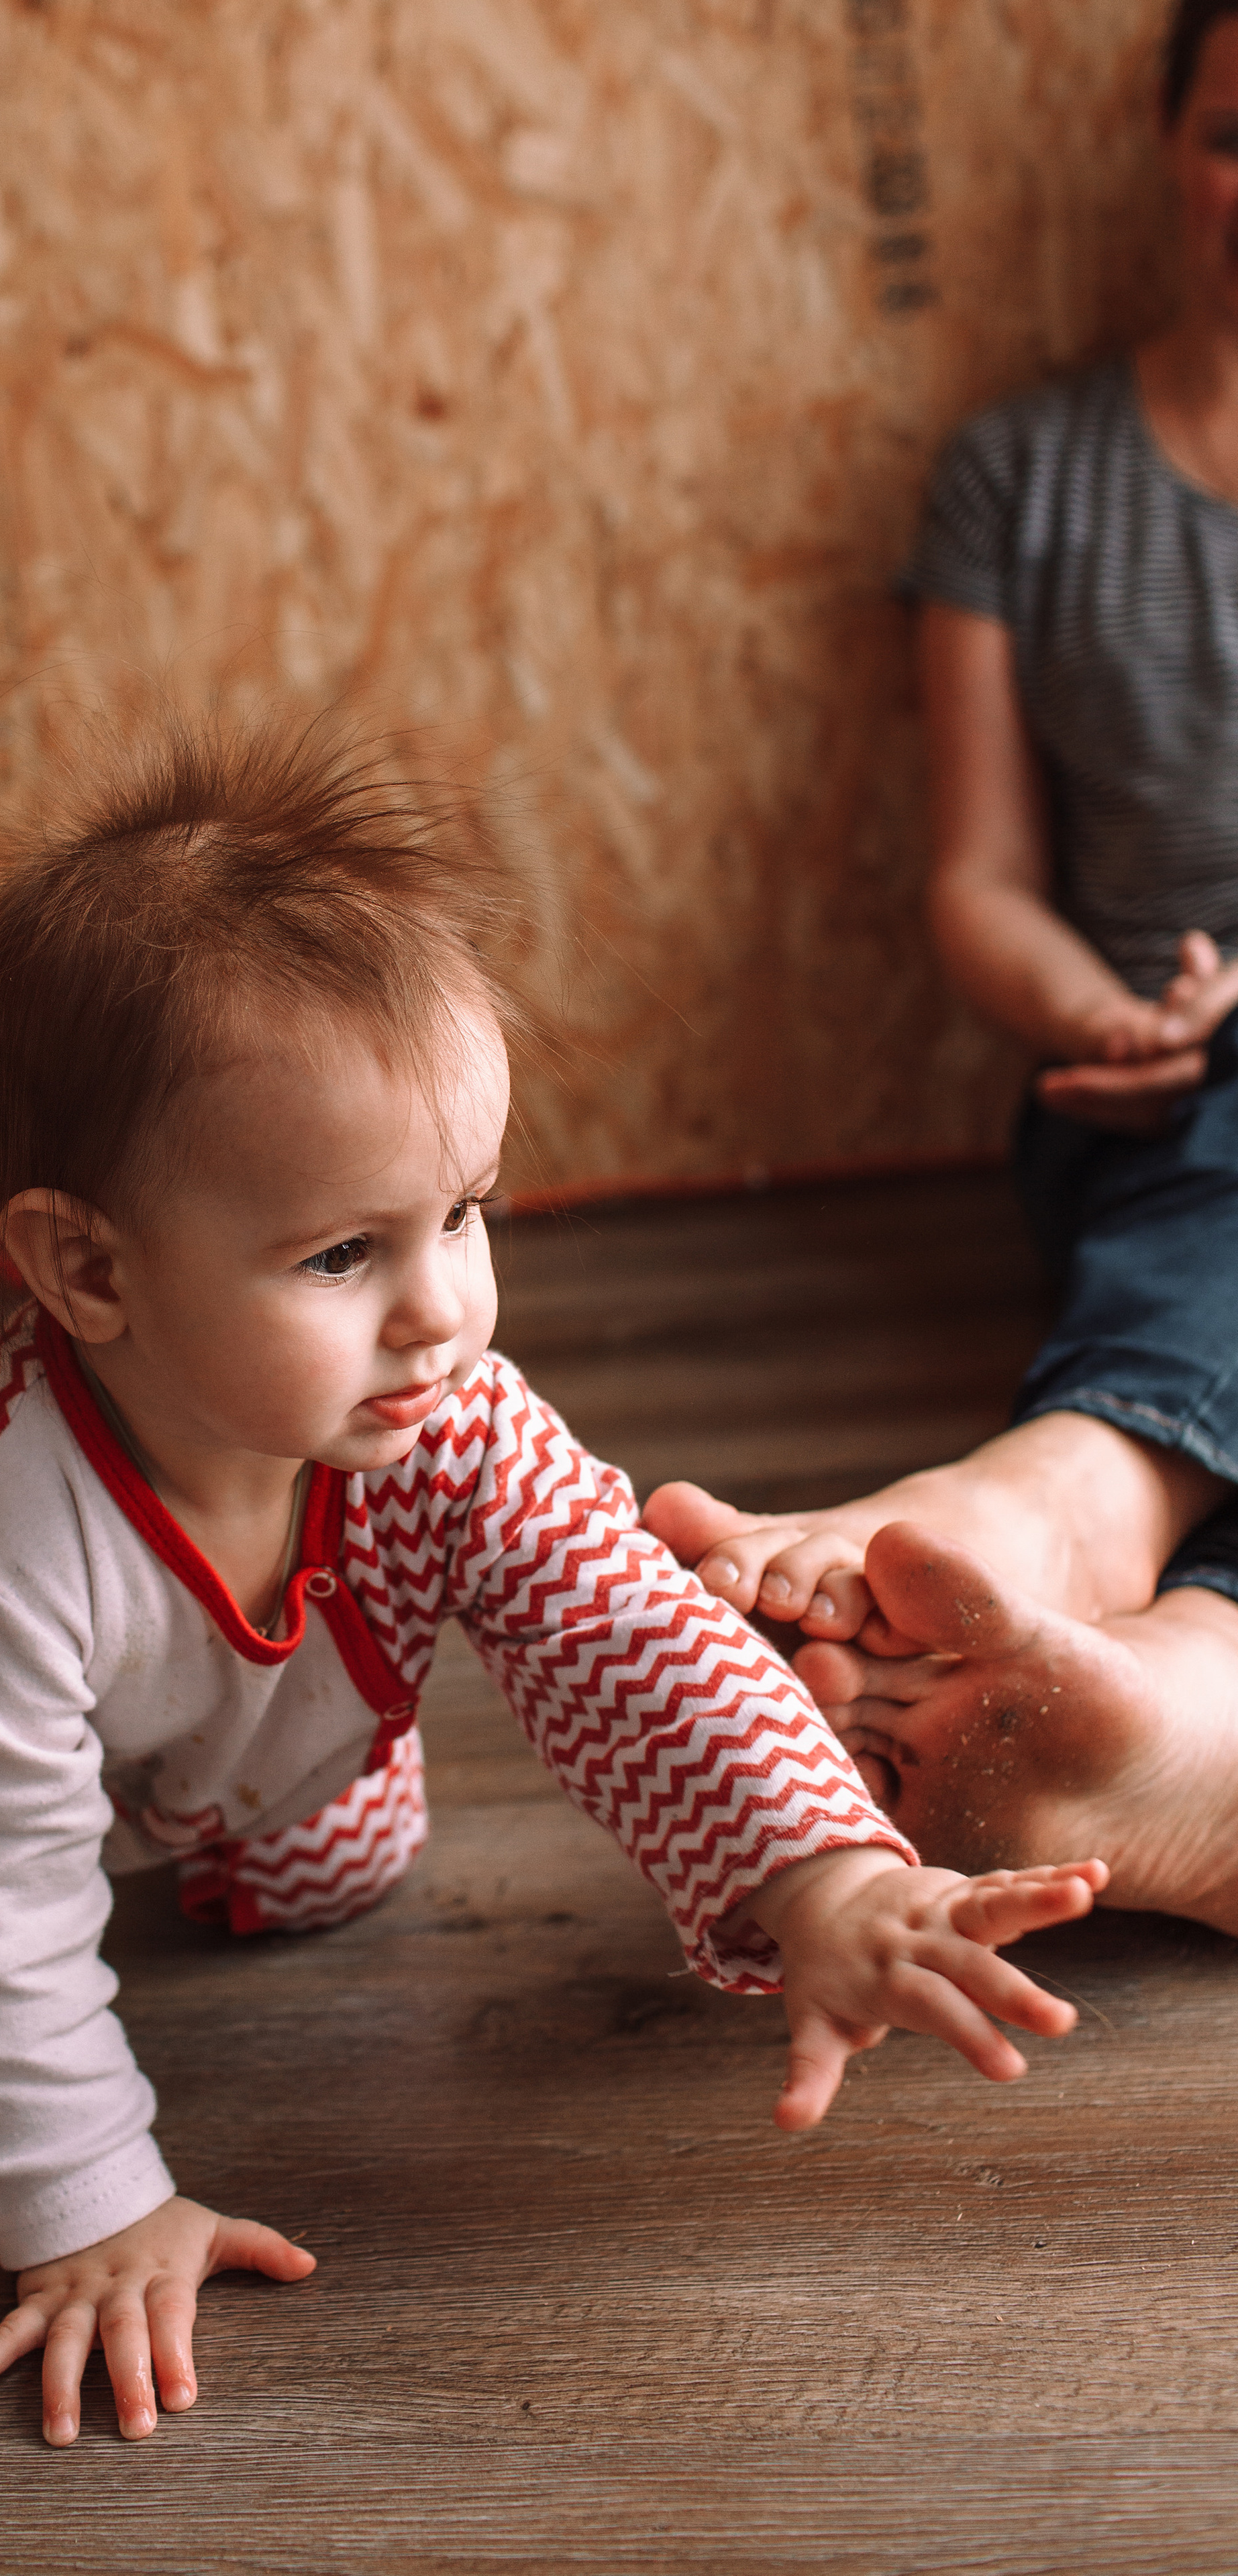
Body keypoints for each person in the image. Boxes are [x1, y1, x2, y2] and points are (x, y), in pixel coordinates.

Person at [0, 717, 1102, 2449]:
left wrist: (823, 1876)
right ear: (87, 1266)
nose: (441, 1311)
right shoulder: (2, 1536)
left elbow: (630, 1632)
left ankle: (239, 1780)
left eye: (465, 1215)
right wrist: (90, 2212)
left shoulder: (441, 1408)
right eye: (343, 1254)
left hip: (242, 1722)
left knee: (357, 1856)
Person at [643, 0, 1238, 1933]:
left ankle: (1158, 1678)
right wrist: (1107, 1013)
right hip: (1168, 1101)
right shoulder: (1023, 474)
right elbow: (981, 876)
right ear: (1170, 152)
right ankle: (1095, 1545)